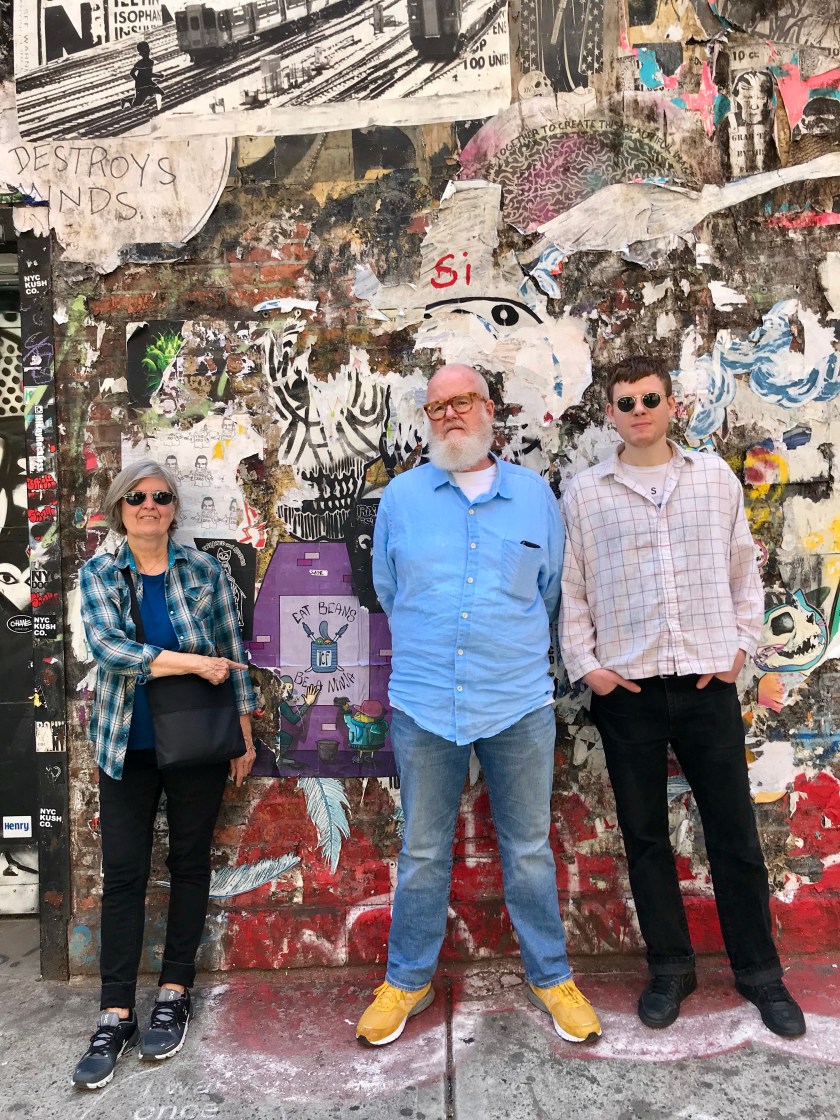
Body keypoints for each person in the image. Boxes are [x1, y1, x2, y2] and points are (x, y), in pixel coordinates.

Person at [559, 356, 806, 1038]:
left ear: (673, 406)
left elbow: (743, 568)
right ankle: (670, 967)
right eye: (625, 402)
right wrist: (589, 668)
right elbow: (571, 587)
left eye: (650, 399)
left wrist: (740, 648)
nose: (638, 410)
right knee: (644, 838)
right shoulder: (585, 494)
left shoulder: (713, 478)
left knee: (734, 833)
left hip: (706, 686)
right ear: (609, 413)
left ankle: (759, 972)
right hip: (627, 693)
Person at [357, 363, 601, 1047]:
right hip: (425, 702)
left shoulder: (533, 497)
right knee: (423, 851)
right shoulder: (402, 498)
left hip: (516, 701)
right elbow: (388, 588)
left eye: (462, 402)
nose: (450, 415)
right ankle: (407, 980)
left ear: (490, 411)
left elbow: (549, 591)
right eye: (437, 407)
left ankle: (551, 976)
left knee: (528, 850)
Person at [72, 459, 257, 1089]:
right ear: (118, 510)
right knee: (123, 873)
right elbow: (110, 650)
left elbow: (231, 651)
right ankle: (116, 1012)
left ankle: (175, 991)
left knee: (189, 863)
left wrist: (243, 730)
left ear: (173, 508)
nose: (148, 506)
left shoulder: (204, 571)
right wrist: (191, 663)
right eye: (136, 498)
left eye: (160, 497)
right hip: (125, 744)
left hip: (199, 741)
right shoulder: (99, 573)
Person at [122, 40, 164, 112]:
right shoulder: (142, 63)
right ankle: (128, 101)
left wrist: (158, 76)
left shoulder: (149, 62)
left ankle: (158, 108)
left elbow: (148, 74)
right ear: (141, 53)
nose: (147, 53)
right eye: (145, 52)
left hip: (147, 83)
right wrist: (138, 80)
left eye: (147, 51)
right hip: (143, 85)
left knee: (159, 93)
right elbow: (132, 73)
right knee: (138, 103)